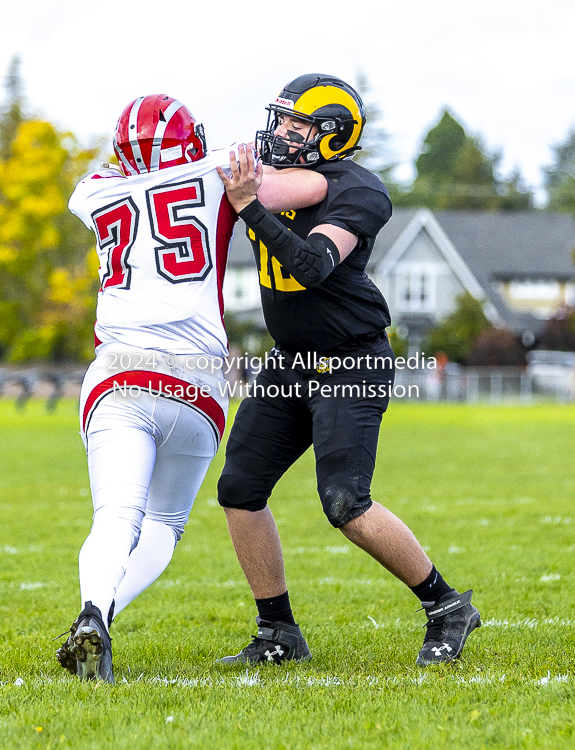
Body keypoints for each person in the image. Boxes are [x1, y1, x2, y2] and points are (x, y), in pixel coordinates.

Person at [56, 94, 327, 682]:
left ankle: (93, 613)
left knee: (116, 514)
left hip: (120, 372)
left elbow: (127, 175)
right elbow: (308, 189)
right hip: (199, 384)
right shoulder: (219, 173)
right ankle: (97, 619)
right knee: (161, 526)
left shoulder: (94, 191)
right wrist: (240, 172)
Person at [216, 74, 481, 667]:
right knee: (239, 489)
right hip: (292, 359)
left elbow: (311, 265)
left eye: (297, 124)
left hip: (351, 359)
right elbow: (241, 185)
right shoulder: (281, 176)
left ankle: (447, 607)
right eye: (279, 119)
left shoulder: (361, 191)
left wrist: (248, 206)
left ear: (332, 135)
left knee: (345, 502)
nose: (281, 132)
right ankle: (277, 632)